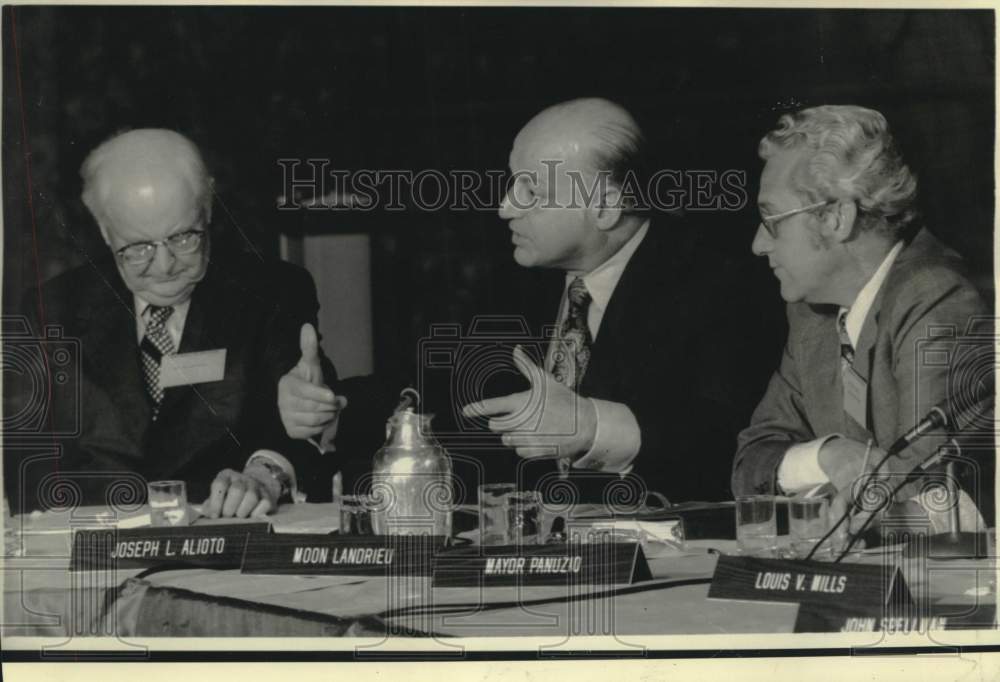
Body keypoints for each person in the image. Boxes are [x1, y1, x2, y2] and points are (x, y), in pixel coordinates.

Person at [4, 128, 342, 516]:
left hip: (221, 530)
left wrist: (268, 470)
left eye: (183, 238)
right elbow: (28, 464)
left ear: (208, 208)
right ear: (105, 231)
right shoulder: (51, 309)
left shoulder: (272, 291)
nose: (164, 267)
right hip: (95, 538)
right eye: (138, 248)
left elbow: (303, 409)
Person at [455, 97, 741, 503]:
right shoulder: (508, 285)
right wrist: (338, 413)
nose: (505, 208)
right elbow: (440, 400)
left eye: (531, 190)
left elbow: (731, 440)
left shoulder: (719, 288)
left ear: (606, 205)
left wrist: (593, 426)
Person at [732, 105, 993, 531]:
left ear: (836, 217)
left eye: (770, 220)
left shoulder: (935, 297)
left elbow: (926, 488)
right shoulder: (812, 313)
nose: (758, 245)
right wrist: (827, 455)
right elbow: (750, 464)